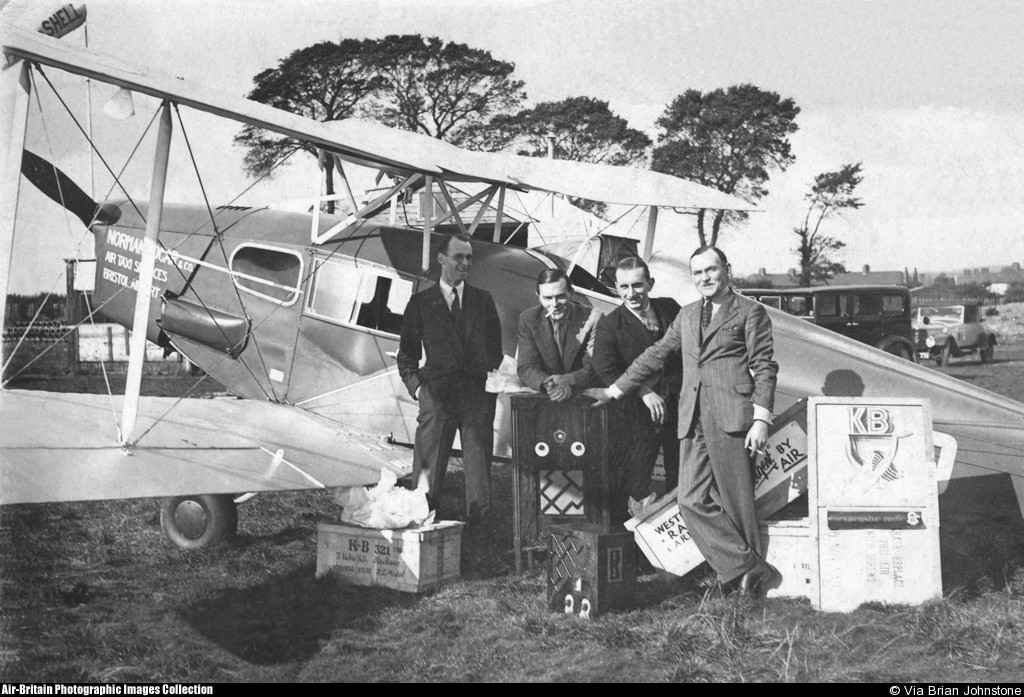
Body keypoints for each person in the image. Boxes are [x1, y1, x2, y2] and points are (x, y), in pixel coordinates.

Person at [588, 246, 780, 596]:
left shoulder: (750, 312)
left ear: (727, 270)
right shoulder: (688, 315)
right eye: (698, 273)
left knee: (736, 501)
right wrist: (615, 390)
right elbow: (656, 354)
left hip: (731, 417)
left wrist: (761, 419)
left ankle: (746, 584)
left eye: (712, 270)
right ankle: (746, 567)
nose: (705, 278)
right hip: (691, 418)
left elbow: (764, 367)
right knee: (690, 500)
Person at [397, 232, 504, 523]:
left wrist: (481, 382)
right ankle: (420, 525)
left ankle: (480, 537)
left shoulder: (483, 300)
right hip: (437, 399)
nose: (466, 263)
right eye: (459, 257)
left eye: (470, 257)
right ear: (441, 258)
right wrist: (419, 390)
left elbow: (495, 350)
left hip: (475, 399)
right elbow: (407, 356)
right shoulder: (420, 303)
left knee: (479, 472)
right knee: (426, 473)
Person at [592, 257, 681, 523]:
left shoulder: (670, 309)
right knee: (638, 483)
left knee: (680, 477)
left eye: (638, 285)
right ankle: (639, 544)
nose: (631, 294)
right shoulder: (611, 325)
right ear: (617, 288)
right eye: (624, 287)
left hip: (680, 408)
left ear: (650, 284)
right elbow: (604, 370)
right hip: (638, 418)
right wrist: (642, 391)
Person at [516, 267, 601, 402]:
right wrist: (548, 384)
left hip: (584, 397)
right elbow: (526, 367)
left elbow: (595, 368)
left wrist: (567, 380)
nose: (554, 304)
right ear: (538, 297)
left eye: (560, 296)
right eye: (547, 298)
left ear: (571, 293)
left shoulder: (593, 317)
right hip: (548, 394)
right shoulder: (528, 319)